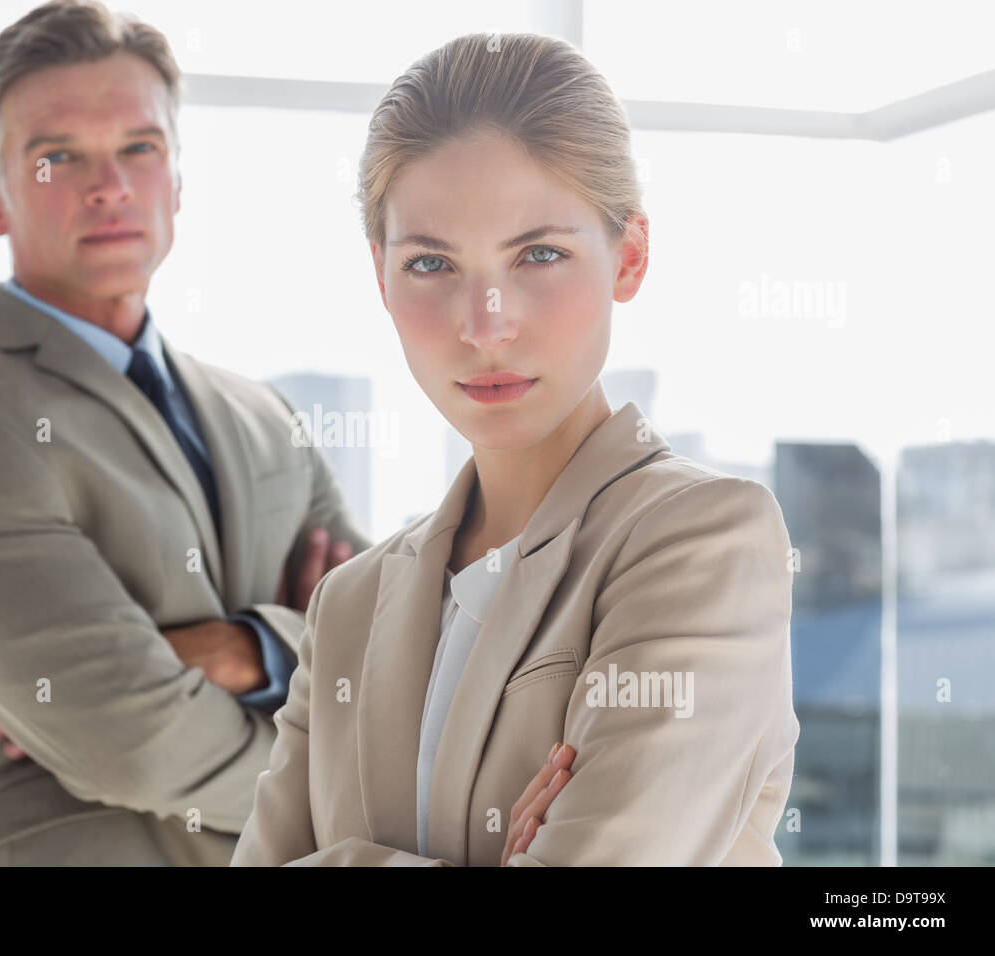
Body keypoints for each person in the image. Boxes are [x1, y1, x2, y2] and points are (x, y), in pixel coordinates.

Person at [231, 32, 800, 866]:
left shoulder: (704, 543)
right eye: (431, 263)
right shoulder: (347, 606)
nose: (485, 322)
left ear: (629, 256)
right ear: (380, 278)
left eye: (539, 254)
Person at [0, 0, 370, 866]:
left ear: (178, 176)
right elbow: (131, 742)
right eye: (58, 157)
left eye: (140, 147)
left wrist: (249, 648)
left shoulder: (266, 418)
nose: (109, 186)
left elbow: (396, 659)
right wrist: (337, 757)